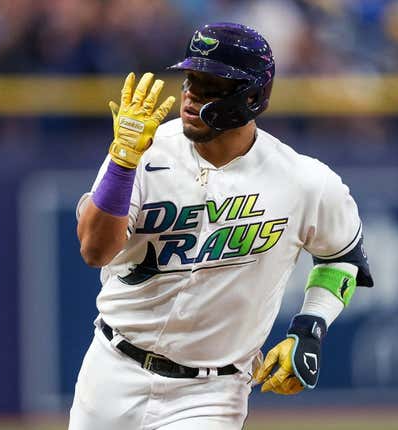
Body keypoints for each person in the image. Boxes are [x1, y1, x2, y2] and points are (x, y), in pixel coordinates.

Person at [70, 22, 373, 430]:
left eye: (211, 85)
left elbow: (342, 256)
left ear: (251, 97)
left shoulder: (304, 181)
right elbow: (94, 251)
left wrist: (310, 327)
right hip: (111, 369)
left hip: (210, 395)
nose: (192, 96)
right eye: (190, 80)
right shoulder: (143, 149)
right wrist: (123, 163)